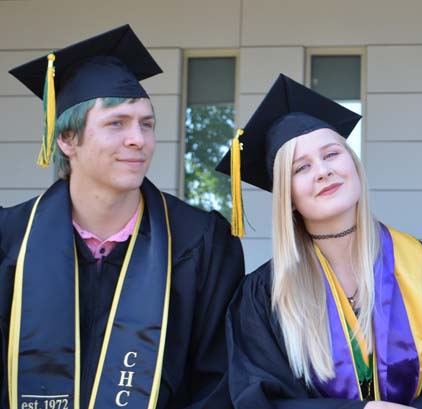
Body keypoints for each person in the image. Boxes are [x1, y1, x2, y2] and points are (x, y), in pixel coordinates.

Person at [0, 25, 245, 409]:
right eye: (117, 123)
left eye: (146, 124)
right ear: (67, 140)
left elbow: (219, 384)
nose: (138, 139)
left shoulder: (201, 242)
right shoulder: (10, 238)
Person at [219, 74, 422, 408]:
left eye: (331, 154)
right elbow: (260, 400)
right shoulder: (266, 294)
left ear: (354, 164)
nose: (322, 171)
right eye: (301, 168)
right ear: (286, 197)